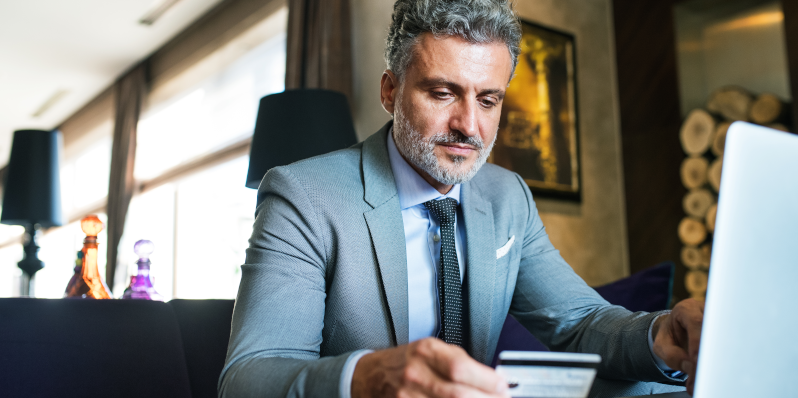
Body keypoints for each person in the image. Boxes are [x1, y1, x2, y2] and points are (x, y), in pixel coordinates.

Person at [219, 1, 704, 397]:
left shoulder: (507, 195)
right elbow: (248, 378)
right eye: (443, 93)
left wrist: (661, 336)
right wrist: (365, 377)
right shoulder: (303, 195)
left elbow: (579, 320)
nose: (469, 126)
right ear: (391, 91)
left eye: (488, 100)